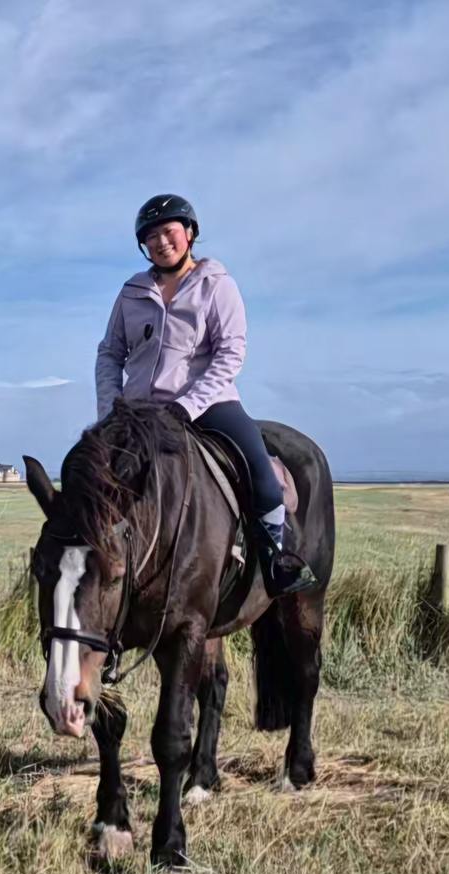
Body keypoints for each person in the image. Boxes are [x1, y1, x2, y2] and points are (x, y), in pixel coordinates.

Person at [95, 194, 316, 595]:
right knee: (90, 478)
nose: (161, 242)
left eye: (168, 231)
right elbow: (110, 352)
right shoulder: (131, 293)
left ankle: (275, 563)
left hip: (209, 405)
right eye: (150, 237)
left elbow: (231, 352)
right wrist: (112, 408)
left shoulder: (216, 285)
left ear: (190, 233)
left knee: (263, 478)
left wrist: (188, 406)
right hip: (139, 412)